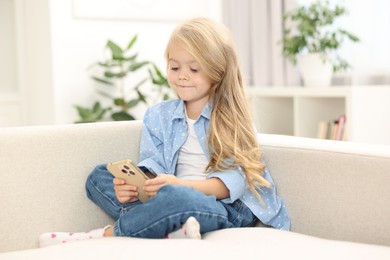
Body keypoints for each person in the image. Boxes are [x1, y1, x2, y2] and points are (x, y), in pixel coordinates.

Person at [39, 17, 290, 247]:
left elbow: (232, 184)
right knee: (97, 176)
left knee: (176, 198)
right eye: (174, 67)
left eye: (194, 69)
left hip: (220, 207)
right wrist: (134, 186)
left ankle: (106, 235)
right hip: (167, 194)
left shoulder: (231, 119)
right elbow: (154, 164)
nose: (182, 77)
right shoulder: (158, 115)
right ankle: (171, 226)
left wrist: (179, 186)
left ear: (217, 72)